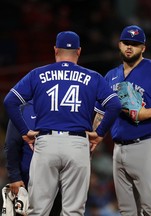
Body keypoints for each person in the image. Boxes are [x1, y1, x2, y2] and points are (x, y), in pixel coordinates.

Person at [3, 31, 122, 216]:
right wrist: (100, 133)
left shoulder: (38, 74)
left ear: (55, 50)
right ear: (79, 51)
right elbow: (114, 105)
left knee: (38, 211)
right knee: (73, 211)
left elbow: (10, 101)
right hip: (77, 143)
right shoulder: (92, 76)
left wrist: (25, 131)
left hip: (46, 142)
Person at [94, 25, 151, 215]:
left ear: (143, 47)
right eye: (126, 43)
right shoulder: (111, 75)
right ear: (119, 45)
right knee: (127, 210)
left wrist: (148, 113)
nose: (130, 47)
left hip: (149, 144)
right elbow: (100, 114)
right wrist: (95, 136)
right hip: (119, 148)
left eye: (135, 44)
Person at [4, 100, 62, 215]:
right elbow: (11, 144)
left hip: (59, 182)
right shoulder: (23, 110)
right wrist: (15, 177)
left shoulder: (64, 109)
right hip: (29, 181)